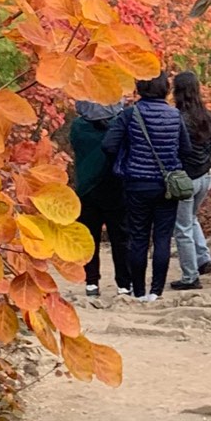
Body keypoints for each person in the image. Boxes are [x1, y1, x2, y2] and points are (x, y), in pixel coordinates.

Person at [103, 74, 190, 298]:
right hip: (167, 186)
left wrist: (127, 159)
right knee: (162, 238)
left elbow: (108, 145)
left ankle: (139, 292)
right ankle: (156, 292)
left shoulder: (131, 114)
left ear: (140, 87)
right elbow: (186, 149)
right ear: (165, 88)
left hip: (137, 184)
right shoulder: (175, 114)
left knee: (138, 237)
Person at [169, 68, 211, 289]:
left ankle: (190, 277)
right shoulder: (208, 115)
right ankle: (203, 259)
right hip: (206, 174)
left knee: (181, 227)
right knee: (191, 218)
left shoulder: (177, 119)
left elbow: (173, 151)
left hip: (186, 179)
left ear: (177, 92)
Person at [65, 98, 119, 301]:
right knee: (120, 237)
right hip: (115, 186)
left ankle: (91, 282)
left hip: (86, 188)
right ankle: (123, 284)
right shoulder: (118, 124)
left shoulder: (78, 127)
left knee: (90, 238)